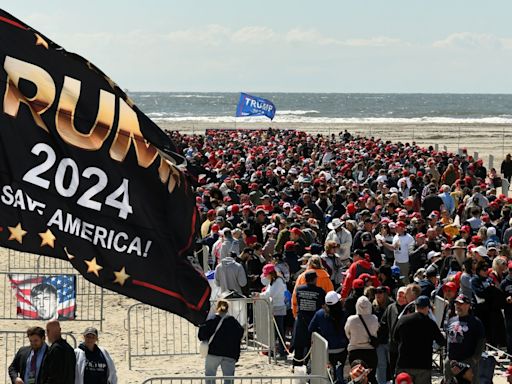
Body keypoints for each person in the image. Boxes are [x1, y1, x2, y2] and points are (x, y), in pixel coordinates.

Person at [393, 296, 446, 384]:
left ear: (415, 306)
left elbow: (395, 338)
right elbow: (441, 341)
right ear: (428, 308)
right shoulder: (430, 323)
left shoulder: (403, 320)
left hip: (404, 363)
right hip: (423, 365)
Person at [198, 300, 244, 384]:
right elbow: (240, 333)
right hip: (230, 353)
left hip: (213, 353)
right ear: (228, 309)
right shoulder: (233, 322)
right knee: (229, 379)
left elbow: (201, 335)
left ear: (217, 307)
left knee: (210, 376)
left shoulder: (211, 320)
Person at [309, 291, 349, 382]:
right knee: (339, 374)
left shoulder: (319, 314)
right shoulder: (344, 314)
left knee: (326, 376)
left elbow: (311, 329)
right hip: (341, 349)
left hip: (325, 350)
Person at [445, 294, 485, 384]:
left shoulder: (475, 322)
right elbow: (448, 339)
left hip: (467, 362)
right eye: (456, 304)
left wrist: (474, 359)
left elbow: (481, 342)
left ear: (468, 305)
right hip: (451, 362)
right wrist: (447, 358)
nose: (458, 306)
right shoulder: (452, 320)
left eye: (461, 304)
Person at [291, 270, 326, 367]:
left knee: (299, 345)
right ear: (315, 279)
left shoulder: (299, 289)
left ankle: (296, 365)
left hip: (301, 320)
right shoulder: (320, 291)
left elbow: (296, 301)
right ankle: (309, 366)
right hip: (314, 321)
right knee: (311, 345)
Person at [345, 296, 379, 384]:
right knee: (370, 377)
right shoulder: (374, 319)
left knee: (356, 378)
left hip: (355, 351)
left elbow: (347, 333)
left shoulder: (351, 320)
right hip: (370, 352)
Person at [257, 263, 288, 359]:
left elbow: (271, 294)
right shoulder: (273, 281)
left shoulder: (278, 281)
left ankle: (282, 352)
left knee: (279, 331)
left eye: (267, 274)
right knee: (274, 331)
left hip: (278, 308)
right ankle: (274, 350)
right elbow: (267, 292)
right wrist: (260, 295)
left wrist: (259, 296)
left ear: (272, 273)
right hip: (274, 307)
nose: (266, 276)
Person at [379, 286, 407, 378]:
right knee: (394, 372)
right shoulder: (391, 307)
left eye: (404, 296)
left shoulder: (409, 308)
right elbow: (383, 324)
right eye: (399, 295)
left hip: (406, 347)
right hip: (393, 346)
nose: (401, 298)